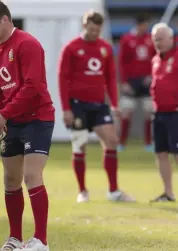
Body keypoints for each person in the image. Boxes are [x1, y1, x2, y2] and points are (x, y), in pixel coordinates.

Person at [0, 1, 55, 250]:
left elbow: (32, 87)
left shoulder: (27, 44)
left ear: (5, 20)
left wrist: (4, 114)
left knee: (31, 176)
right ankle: (14, 238)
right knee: (10, 180)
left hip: (37, 118)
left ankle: (41, 240)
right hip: (11, 121)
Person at [58, 10, 135, 203]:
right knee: (80, 146)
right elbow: (63, 78)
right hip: (77, 106)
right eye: (91, 29)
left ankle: (113, 190)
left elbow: (110, 77)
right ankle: (83, 191)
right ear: (85, 26)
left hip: (99, 105)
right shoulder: (71, 48)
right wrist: (66, 108)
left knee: (111, 140)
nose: (94, 33)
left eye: (98, 30)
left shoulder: (105, 48)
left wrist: (115, 103)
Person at [117, 13, 156, 152]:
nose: (146, 27)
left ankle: (148, 143)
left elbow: (155, 59)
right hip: (131, 81)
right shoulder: (127, 39)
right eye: (145, 24)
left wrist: (152, 75)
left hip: (146, 81)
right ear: (139, 24)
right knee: (126, 112)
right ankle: (122, 143)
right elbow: (122, 62)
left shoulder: (150, 39)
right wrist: (124, 82)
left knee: (149, 112)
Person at [149, 23, 177, 202]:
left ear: (171, 38)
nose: (157, 43)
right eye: (155, 40)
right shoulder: (155, 60)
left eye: (160, 39)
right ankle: (168, 192)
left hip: (175, 113)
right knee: (161, 152)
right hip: (159, 113)